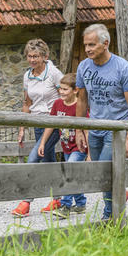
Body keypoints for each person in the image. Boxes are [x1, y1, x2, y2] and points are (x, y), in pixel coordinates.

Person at [75, 23, 128, 220]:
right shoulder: (83, 67)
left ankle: (109, 217)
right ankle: (121, 194)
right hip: (94, 129)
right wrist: (79, 130)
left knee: (103, 172)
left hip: (116, 129)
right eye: (86, 45)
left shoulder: (122, 68)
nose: (87, 49)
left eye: (92, 45)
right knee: (101, 172)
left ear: (105, 44)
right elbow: (82, 100)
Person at [12, 39, 63, 218]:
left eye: (36, 56)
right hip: (36, 123)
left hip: (53, 123)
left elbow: (67, 95)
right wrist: (22, 128)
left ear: (45, 56)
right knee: (49, 162)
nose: (32, 60)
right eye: (29, 56)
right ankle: (58, 199)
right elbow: (27, 103)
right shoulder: (28, 75)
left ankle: (26, 202)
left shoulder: (54, 74)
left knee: (33, 158)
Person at [39, 73, 89, 218]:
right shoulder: (57, 104)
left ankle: (65, 206)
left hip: (79, 148)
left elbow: (87, 128)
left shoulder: (80, 105)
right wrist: (43, 143)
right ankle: (80, 204)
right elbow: (50, 125)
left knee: (68, 170)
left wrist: (90, 153)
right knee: (72, 174)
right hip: (66, 146)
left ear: (75, 90)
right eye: (60, 88)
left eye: (65, 89)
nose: (61, 92)